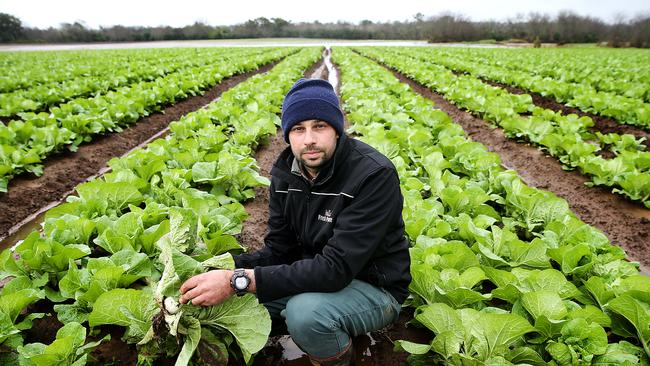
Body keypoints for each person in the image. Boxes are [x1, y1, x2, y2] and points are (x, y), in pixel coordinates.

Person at [179, 78, 411, 366]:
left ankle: (337, 358)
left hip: (374, 287)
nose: (309, 139)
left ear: (337, 130)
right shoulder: (285, 174)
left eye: (319, 126)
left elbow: (335, 270)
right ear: (287, 135)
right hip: (313, 276)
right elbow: (279, 250)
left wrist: (235, 281)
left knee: (305, 314)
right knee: (229, 303)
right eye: (298, 129)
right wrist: (221, 269)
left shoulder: (373, 175)